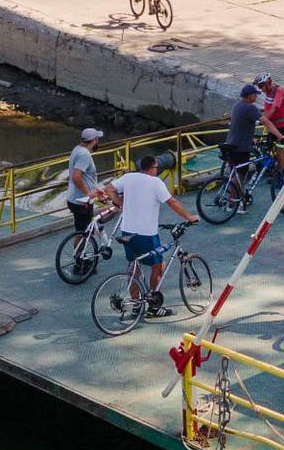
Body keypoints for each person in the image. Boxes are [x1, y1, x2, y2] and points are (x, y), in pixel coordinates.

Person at [102, 154, 197, 316]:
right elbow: (172, 202)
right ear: (153, 169)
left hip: (127, 230)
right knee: (158, 267)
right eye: (156, 168)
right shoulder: (155, 182)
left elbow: (108, 188)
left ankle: (137, 304)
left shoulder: (128, 177)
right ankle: (153, 305)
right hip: (146, 234)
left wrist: (120, 202)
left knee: (134, 267)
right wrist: (189, 217)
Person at [65, 126, 105, 234]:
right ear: (93, 140)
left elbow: (85, 177)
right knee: (85, 233)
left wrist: (95, 191)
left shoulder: (77, 149)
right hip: (81, 201)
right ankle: (79, 251)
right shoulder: (84, 155)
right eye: (97, 139)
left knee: (81, 230)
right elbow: (76, 176)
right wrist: (88, 193)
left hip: (73, 198)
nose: (98, 141)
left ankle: (78, 250)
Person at [220, 82, 264, 171]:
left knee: (234, 171)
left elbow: (241, 124)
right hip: (241, 147)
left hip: (230, 143)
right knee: (241, 174)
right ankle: (232, 185)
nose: (256, 96)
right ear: (250, 96)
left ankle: (229, 183)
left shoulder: (236, 106)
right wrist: (279, 135)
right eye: (255, 94)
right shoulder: (250, 108)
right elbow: (265, 121)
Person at [254, 74, 284, 166]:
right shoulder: (268, 91)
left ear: (268, 83)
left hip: (281, 126)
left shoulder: (279, 91)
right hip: (271, 125)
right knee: (266, 147)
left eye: (260, 86)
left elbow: (273, 108)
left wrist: (262, 120)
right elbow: (267, 107)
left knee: (280, 151)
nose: (260, 89)